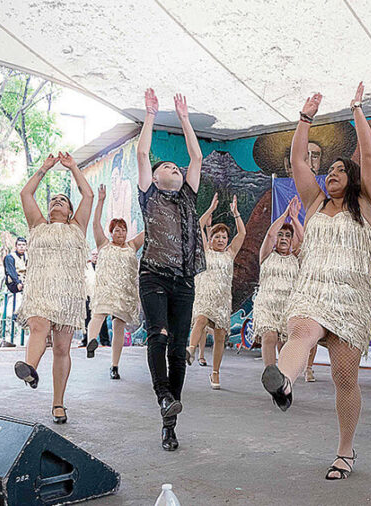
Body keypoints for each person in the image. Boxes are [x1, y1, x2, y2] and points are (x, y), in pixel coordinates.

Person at [261, 83, 371, 481]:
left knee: (344, 378)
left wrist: (357, 109)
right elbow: (299, 160)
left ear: (353, 179)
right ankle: (283, 381)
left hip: (351, 299)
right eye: (328, 171)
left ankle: (345, 451)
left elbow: (368, 155)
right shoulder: (314, 203)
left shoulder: (367, 206)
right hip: (311, 289)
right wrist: (304, 119)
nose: (331, 174)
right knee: (301, 330)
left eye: (339, 170)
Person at [136, 89, 205, 451]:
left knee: (178, 350)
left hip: (184, 280)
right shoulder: (149, 195)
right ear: (154, 176)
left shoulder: (188, 197)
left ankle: (169, 423)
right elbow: (142, 153)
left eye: (176, 168)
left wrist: (184, 119)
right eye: (167, 167)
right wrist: (151, 115)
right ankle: (163, 395)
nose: (174, 169)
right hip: (153, 275)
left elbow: (196, 156)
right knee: (159, 336)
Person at [13, 152, 94, 424]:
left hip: (68, 294)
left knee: (61, 349)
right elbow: (26, 194)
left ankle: (58, 403)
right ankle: (30, 369)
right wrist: (45, 167)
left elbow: (88, 195)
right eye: (53, 200)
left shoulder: (77, 227)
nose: (57, 201)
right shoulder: (38, 225)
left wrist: (73, 167)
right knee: (38, 325)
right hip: (40, 289)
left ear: (70, 211)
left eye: (63, 200)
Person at [186, 193, 246, 389]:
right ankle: (191, 350)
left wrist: (236, 214)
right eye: (217, 236)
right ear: (210, 239)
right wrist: (211, 209)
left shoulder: (230, 253)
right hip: (205, 297)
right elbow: (198, 226)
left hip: (222, 301)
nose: (220, 240)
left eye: (223, 237)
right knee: (201, 319)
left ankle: (215, 373)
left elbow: (242, 234)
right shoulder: (205, 251)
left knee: (220, 336)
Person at [87, 184, 145, 380]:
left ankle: (114, 365)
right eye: (117, 230)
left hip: (124, 292)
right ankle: (91, 342)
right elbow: (95, 223)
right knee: (99, 314)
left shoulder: (132, 245)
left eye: (123, 230)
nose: (120, 233)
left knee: (119, 325)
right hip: (106, 289)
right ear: (111, 232)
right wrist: (101, 200)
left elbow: (148, 231)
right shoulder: (103, 244)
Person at [254, 196, 304, 368]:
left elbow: (304, 240)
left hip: (288, 307)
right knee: (269, 335)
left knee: (285, 343)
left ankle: (282, 376)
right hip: (267, 305)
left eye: (287, 235)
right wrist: (285, 214)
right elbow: (269, 235)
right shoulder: (266, 255)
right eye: (280, 234)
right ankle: (270, 373)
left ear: (291, 240)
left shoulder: (297, 258)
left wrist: (295, 218)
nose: (283, 238)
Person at [81, 250, 110, 354]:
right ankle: (86, 340)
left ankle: (105, 340)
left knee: (101, 319)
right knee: (87, 318)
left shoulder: (104, 267)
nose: (95, 256)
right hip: (88, 295)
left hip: (100, 296)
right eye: (93, 255)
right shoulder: (86, 267)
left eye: (97, 255)